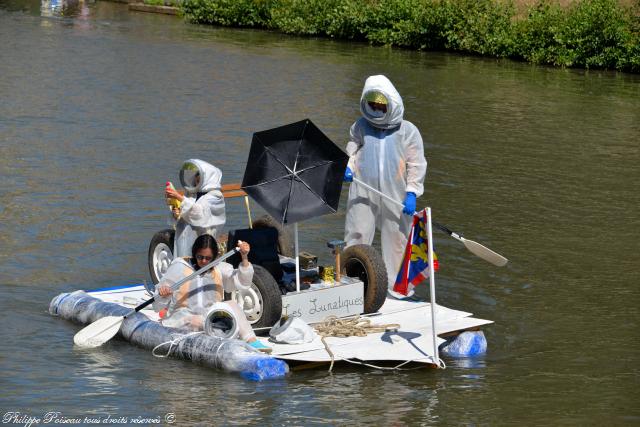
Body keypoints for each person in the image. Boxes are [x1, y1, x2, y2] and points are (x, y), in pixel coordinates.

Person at [343, 75, 427, 297]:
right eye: (372, 105)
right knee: (357, 233)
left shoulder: (407, 131)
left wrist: (411, 192)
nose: (376, 109)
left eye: (381, 105)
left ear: (392, 103)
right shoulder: (361, 125)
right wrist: (349, 166)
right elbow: (353, 147)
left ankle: (398, 290)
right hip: (363, 189)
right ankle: (352, 281)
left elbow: (416, 163)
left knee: (397, 240)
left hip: (396, 195)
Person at [154, 234, 271, 353]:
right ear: (194, 253)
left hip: (211, 316)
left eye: (208, 258)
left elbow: (243, 283)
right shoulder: (179, 267)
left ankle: (251, 340)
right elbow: (157, 303)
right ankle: (222, 339)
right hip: (183, 318)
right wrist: (163, 293)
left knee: (232, 304)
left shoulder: (219, 268)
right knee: (195, 320)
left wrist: (244, 257)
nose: (204, 261)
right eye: (200, 257)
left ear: (214, 257)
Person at [165, 159, 226, 257]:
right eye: (196, 181)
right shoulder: (192, 194)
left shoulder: (215, 196)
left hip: (204, 238)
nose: (197, 184)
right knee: (183, 262)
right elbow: (187, 212)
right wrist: (177, 214)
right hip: (184, 236)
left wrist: (179, 197)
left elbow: (199, 214)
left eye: (199, 181)